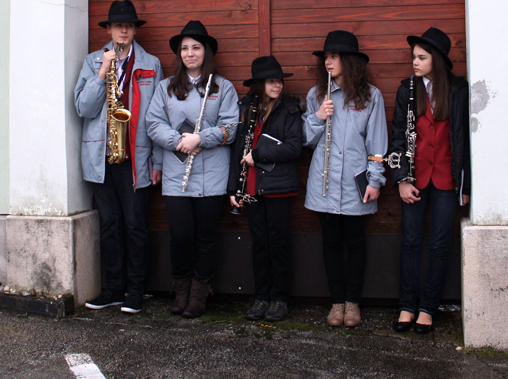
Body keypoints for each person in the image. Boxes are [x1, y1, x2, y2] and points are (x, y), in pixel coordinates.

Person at [74, 0, 164, 314]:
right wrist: (102, 71)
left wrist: (158, 161)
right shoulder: (92, 61)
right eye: (117, 25)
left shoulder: (151, 64)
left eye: (128, 25)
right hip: (102, 157)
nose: (123, 30)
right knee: (109, 225)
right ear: (109, 30)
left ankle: (135, 291)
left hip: (135, 159)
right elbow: (83, 108)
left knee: (136, 225)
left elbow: (158, 115)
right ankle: (113, 289)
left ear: (134, 29)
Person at [146, 20, 239, 318]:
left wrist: (201, 138)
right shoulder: (165, 87)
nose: (190, 53)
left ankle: (200, 293)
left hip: (212, 175)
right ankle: (181, 289)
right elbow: (153, 123)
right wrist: (179, 142)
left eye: (196, 48)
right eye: (185, 48)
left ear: (206, 51)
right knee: (180, 236)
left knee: (206, 238)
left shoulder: (223, 87)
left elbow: (230, 127)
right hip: (177, 175)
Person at [303, 30, 387, 328]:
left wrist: (375, 180)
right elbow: (305, 140)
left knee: (355, 242)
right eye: (326, 56)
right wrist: (318, 117)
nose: (328, 61)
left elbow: (377, 141)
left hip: (355, 183)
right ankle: (336, 302)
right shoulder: (316, 95)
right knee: (330, 243)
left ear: (349, 61)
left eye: (335, 56)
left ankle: (353, 304)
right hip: (324, 182)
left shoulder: (371, 96)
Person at [390, 27, 471, 334]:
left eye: (422, 57)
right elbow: (398, 137)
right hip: (414, 177)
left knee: (439, 244)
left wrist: (465, 185)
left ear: (436, 59)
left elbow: (465, 141)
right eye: (414, 57)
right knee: (410, 242)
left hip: (447, 180)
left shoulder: (458, 90)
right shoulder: (407, 90)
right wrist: (401, 179)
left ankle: (428, 308)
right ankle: (406, 306)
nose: (415, 62)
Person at [227, 56, 304, 322]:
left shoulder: (290, 109)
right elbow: (237, 151)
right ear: (260, 84)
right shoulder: (246, 108)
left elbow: (294, 147)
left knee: (278, 244)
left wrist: (258, 154)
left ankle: (279, 299)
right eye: (271, 81)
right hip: (251, 188)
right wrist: (233, 188)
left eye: (279, 80)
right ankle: (261, 297)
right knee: (260, 244)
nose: (278, 85)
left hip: (278, 188)